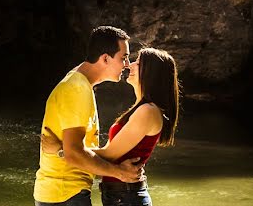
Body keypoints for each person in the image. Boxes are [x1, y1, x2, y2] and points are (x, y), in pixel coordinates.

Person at [42, 47, 180, 206]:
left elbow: (109, 155)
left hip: (126, 197)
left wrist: (62, 149)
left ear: (152, 74)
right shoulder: (141, 109)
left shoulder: (147, 112)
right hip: (121, 195)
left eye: (138, 63)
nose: (130, 65)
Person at [33, 26, 145, 206]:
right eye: (123, 58)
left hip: (64, 194)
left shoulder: (79, 82)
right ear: (105, 58)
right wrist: (119, 173)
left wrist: (62, 150)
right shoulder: (77, 88)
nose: (126, 65)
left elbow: (73, 151)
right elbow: (74, 154)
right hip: (65, 194)